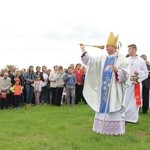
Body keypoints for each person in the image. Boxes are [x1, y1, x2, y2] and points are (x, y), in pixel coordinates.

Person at [80, 32, 130, 135]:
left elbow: (126, 74)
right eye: (106, 46)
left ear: (114, 47)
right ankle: (101, 129)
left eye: (108, 46)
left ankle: (114, 130)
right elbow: (91, 62)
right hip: (103, 88)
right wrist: (83, 50)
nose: (106, 48)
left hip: (114, 90)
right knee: (102, 105)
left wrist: (117, 71)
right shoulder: (103, 58)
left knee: (113, 105)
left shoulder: (120, 58)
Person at [123, 45, 148, 123]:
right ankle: (124, 117)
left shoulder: (141, 61)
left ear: (134, 49)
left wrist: (139, 73)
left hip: (136, 83)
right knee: (125, 100)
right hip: (127, 83)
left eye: (129, 49)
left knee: (134, 101)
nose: (128, 51)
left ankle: (133, 118)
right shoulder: (126, 60)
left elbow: (145, 73)